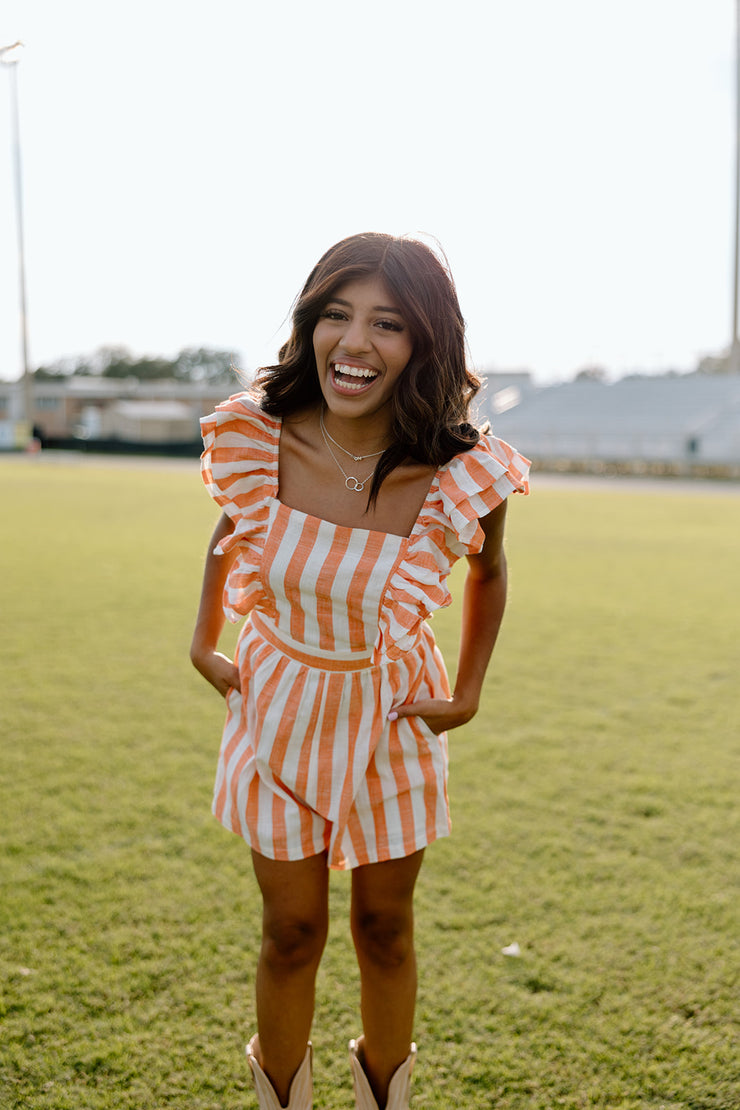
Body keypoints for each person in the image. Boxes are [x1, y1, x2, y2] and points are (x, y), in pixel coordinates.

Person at [190, 232, 530, 1110]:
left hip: (391, 712)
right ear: (310, 326)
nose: (354, 343)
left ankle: (388, 1101)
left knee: (384, 929)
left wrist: (468, 688)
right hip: (278, 703)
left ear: (424, 342)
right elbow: (229, 538)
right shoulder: (257, 437)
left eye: (386, 323)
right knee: (290, 932)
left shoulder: (462, 471)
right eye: (335, 315)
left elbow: (488, 572)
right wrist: (203, 639)